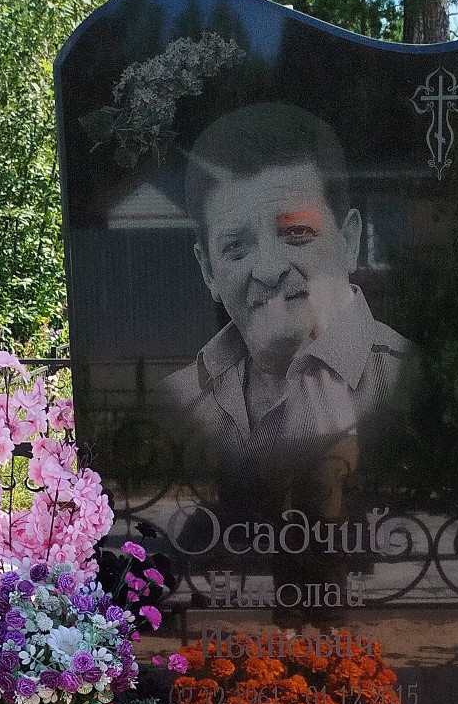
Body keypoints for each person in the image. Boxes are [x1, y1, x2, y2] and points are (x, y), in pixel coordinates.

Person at [161, 102, 416, 460]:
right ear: (208, 270)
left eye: (297, 232)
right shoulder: (175, 401)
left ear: (349, 241)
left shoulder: (414, 382)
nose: (268, 270)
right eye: (236, 246)